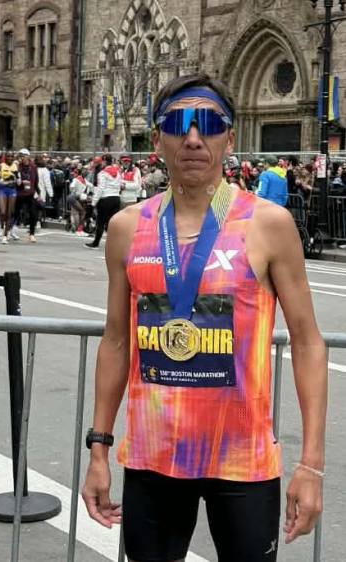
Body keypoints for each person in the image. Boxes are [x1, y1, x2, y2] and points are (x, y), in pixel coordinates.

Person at [82, 73, 327, 562]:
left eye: (210, 124)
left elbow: (307, 342)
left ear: (229, 138)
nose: (194, 138)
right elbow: (115, 341)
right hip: (153, 458)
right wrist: (99, 449)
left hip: (242, 460)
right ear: (158, 139)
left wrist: (312, 465)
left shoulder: (268, 224)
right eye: (178, 124)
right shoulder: (127, 228)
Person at [85, 154, 122, 249]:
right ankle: (114, 244)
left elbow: (100, 189)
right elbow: (119, 185)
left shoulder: (102, 173)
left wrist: (93, 202)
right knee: (112, 223)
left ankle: (95, 243)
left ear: (104, 162)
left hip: (105, 199)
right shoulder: (118, 171)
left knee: (100, 222)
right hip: (116, 198)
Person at [0, 153, 19, 244]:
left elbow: (18, 182)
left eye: (12, 156)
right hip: (2, 190)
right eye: (8, 156)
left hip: (12, 191)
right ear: (5, 158)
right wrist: (5, 181)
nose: (10, 158)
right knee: (2, 212)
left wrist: (16, 177)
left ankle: (5, 236)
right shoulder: (1, 165)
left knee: (9, 213)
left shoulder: (15, 166)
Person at [14, 148, 40, 243]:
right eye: (20, 156)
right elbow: (15, 180)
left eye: (23, 156)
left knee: (33, 214)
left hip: (30, 194)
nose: (21, 158)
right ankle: (8, 230)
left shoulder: (33, 167)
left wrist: (38, 193)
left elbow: (36, 181)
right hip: (20, 193)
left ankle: (31, 234)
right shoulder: (17, 167)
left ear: (28, 156)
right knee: (15, 213)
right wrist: (21, 182)